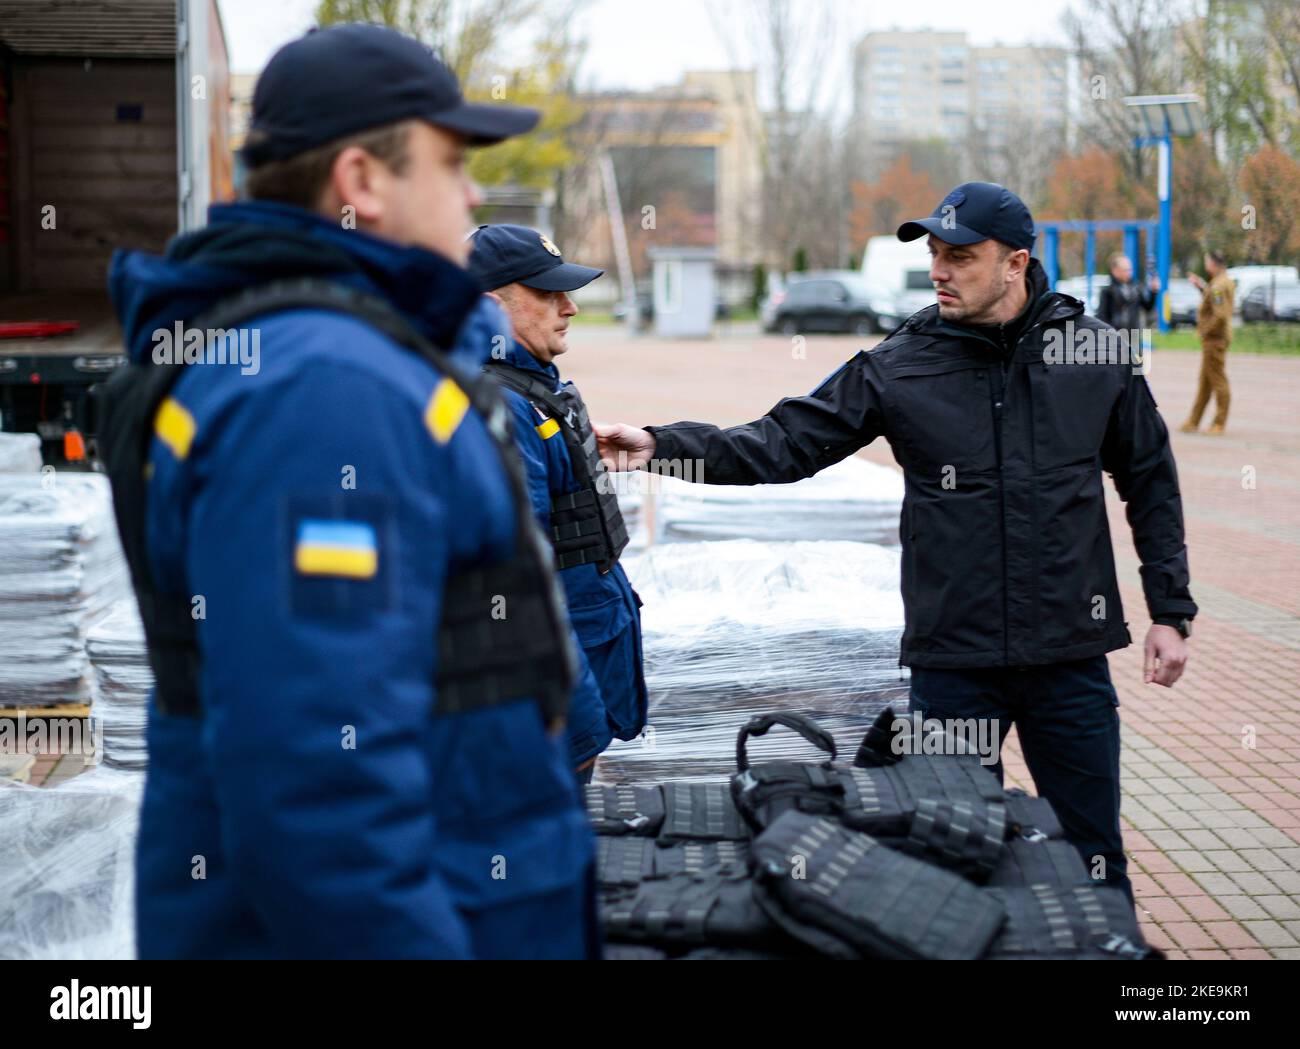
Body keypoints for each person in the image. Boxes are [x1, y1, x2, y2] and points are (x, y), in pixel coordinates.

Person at [97, 23, 595, 959]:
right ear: (364, 181)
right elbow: (317, 781)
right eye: (451, 164)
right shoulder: (326, 387)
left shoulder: (331, 352)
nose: (473, 194)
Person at [597, 182, 1199, 906]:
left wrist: (1170, 608)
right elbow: (783, 442)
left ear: (1016, 262)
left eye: (961, 257)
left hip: (1069, 658)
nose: (939, 270)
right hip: (954, 665)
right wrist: (662, 446)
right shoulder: (901, 362)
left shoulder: (1094, 353)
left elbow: (1151, 479)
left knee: (1092, 852)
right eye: (935, 254)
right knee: (955, 850)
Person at [468, 225, 648, 784]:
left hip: (588, 639)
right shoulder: (495, 404)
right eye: (548, 294)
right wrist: (576, 721)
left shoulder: (529, 387)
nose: (568, 307)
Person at [1180, 250, 1234, 436]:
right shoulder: (1221, 281)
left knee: (1218, 381)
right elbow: (1214, 302)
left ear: (1212, 264)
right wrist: (1201, 287)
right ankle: (1193, 421)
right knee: (1205, 382)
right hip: (1214, 339)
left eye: (1206, 262)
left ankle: (1219, 423)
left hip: (1215, 340)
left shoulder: (1219, 285)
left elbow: (1220, 314)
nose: (1205, 265)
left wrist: (1205, 330)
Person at [1096, 252, 1159, 336]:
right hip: (1115, 336)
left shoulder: (1136, 288)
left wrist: (1153, 292)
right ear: (1115, 271)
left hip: (1133, 335)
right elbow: (1102, 317)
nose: (1129, 273)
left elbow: (1148, 307)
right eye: (1126, 270)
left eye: (1130, 269)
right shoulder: (1108, 291)